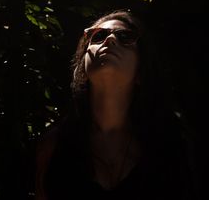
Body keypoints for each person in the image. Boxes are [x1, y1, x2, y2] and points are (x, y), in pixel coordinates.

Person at [35, 10, 192, 200]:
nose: (109, 39)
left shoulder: (169, 147)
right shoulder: (54, 147)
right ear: (83, 67)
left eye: (124, 37)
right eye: (98, 36)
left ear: (141, 71)